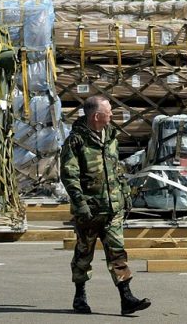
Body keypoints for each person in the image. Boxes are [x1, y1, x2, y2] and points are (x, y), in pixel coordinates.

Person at [60, 95, 151, 315]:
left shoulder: (111, 137)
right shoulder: (76, 142)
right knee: (84, 255)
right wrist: (81, 204)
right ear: (96, 116)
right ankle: (80, 296)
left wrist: (125, 194)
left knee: (117, 253)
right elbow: (69, 176)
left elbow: (116, 168)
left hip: (113, 209)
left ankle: (126, 298)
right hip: (89, 211)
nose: (112, 114)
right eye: (108, 111)